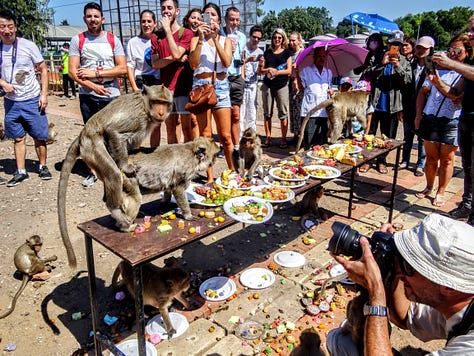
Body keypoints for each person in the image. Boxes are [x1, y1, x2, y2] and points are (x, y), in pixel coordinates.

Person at [327, 213, 474, 355]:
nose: (400, 271)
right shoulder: (460, 299)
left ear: (448, 286)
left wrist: (375, 289)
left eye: (410, 267)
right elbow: (404, 318)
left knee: (339, 341)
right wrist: (391, 262)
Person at [69, 2, 127, 187]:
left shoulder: (112, 39)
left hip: (111, 93)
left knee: (114, 135)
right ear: (84, 19)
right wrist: (92, 86)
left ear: (102, 19)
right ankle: (94, 171)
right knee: (92, 135)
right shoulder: (78, 40)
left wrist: (96, 74)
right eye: (89, 16)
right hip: (88, 94)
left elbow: (122, 68)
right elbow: (72, 71)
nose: (92, 19)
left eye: (96, 16)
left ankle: (115, 171)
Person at [0, 10, 53, 187]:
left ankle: (43, 166)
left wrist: (44, 94)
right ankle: (21, 171)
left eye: (10, 26)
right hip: (11, 101)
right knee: (18, 138)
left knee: (39, 136)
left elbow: (44, 69)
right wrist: (3, 83)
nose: (6, 31)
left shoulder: (28, 46)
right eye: (2, 27)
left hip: (32, 98)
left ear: (15, 27)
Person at [414, 34, 468, 208]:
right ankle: (429, 186)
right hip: (430, 116)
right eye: (450, 49)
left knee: (447, 159)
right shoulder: (437, 68)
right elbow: (423, 91)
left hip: (451, 119)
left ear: (467, 52)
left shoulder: (466, 73)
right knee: (430, 157)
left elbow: (454, 95)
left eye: (457, 50)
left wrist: (437, 83)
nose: (452, 54)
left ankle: (441, 191)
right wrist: (418, 114)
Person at [189, 2, 233, 182]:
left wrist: (215, 38)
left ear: (219, 19)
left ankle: (232, 171)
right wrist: (201, 38)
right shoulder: (195, 39)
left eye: (213, 15)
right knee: (206, 136)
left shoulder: (226, 40)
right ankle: (210, 177)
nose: (210, 18)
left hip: (221, 85)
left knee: (225, 136)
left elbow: (227, 61)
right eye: (206, 15)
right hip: (201, 86)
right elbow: (193, 63)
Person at [359, 30, 412, 174]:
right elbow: (367, 74)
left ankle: (382, 161)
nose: (394, 47)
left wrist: (398, 67)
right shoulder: (376, 57)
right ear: (387, 43)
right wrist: (382, 64)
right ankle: (367, 160)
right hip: (375, 103)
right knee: (369, 133)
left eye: (397, 45)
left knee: (388, 136)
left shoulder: (405, 62)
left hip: (392, 106)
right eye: (392, 44)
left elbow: (408, 81)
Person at [441, 16, 474, 225]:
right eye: (470, 30)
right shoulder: (470, 61)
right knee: (468, 167)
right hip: (467, 119)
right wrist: (435, 80)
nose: (470, 34)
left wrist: (451, 64)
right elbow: (455, 92)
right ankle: (467, 205)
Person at [151, 0, 194, 146]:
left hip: (183, 87)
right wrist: (173, 58)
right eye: (163, 8)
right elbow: (155, 64)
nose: (166, 11)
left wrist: (168, 31)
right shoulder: (156, 36)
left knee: (187, 129)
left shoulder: (186, 33)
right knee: (170, 128)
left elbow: (177, 52)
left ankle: (189, 165)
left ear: (177, 11)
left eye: (170, 8)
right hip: (166, 89)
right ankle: (172, 165)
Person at [399, 36, 434, 177]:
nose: (420, 50)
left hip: (425, 107)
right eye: (418, 47)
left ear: (430, 49)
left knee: (421, 137)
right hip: (409, 105)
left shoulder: (431, 64)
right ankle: (405, 160)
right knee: (407, 135)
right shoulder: (411, 63)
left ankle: (420, 163)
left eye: (424, 48)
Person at [259, 28, 292, 149]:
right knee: (267, 113)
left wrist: (277, 72)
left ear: (283, 39)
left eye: (279, 37)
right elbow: (261, 70)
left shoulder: (287, 52)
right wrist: (268, 69)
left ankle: (283, 139)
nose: (277, 39)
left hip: (282, 85)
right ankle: (268, 138)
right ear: (272, 39)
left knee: (283, 113)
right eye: (275, 37)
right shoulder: (267, 52)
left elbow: (289, 70)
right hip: (268, 85)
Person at [297, 46, 333, 149]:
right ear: (314, 57)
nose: (321, 58)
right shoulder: (306, 70)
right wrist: (296, 76)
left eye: (323, 56)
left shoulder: (329, 72)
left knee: (322, 143)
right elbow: (301, 87)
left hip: (323, 113)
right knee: (309, 142)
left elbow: (329, 88)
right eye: (318, 56)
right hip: (310, 111)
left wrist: (331, 91)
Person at [221, 6, 246, 152]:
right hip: (223, 77)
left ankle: (236, 147)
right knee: (223, 114)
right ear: (225, 20)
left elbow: (241, 58)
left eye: (237, 19)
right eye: (232, 19)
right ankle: (226, 144)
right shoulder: (220, 34)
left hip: (236, 77)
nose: (234, 22)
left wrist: (242, 77)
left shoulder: (242, 37)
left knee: (236, 114)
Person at [179, 7, 201, 142]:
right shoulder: (183, 35)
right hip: (183, 80)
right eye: (193, 18)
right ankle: (188, 146)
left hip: (199, 81)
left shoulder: (202, 38)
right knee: (186, 119)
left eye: (199, 19)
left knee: (195, 119)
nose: (196, 21)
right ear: (187, 19)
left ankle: (196, 147)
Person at [126, 10, 160, 92]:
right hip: (141, 82)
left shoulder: (160, 40)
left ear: (155, 23)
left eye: (149, 21)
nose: (146, 24)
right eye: (143, 21)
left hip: (157, 82)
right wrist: (135, 88)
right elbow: (130, 67)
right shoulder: (133, 42)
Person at [240, 25, 263, 134]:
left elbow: (259, 72)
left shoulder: (260, 52)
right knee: (240, 113)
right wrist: (248, 60)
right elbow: (238, 65)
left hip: (253, 84)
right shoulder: (242, 48)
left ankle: (251, 136)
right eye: (254, 37)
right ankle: (239, 138)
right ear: (250, 36)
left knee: (252, 113)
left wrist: (260, 65)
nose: (256, 40)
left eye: (259, 38)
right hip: (242, 83)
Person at [288, 31, 305, 144]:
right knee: (292, 109)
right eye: (290, 40)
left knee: (299, 109)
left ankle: (301, 135)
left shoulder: (302, 53)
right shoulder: (289, 53)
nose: (291, 42)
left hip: (300, 83)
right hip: (289, 83)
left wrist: (296, 79)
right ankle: (295, 134)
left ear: (299, 41)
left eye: (293, 40)